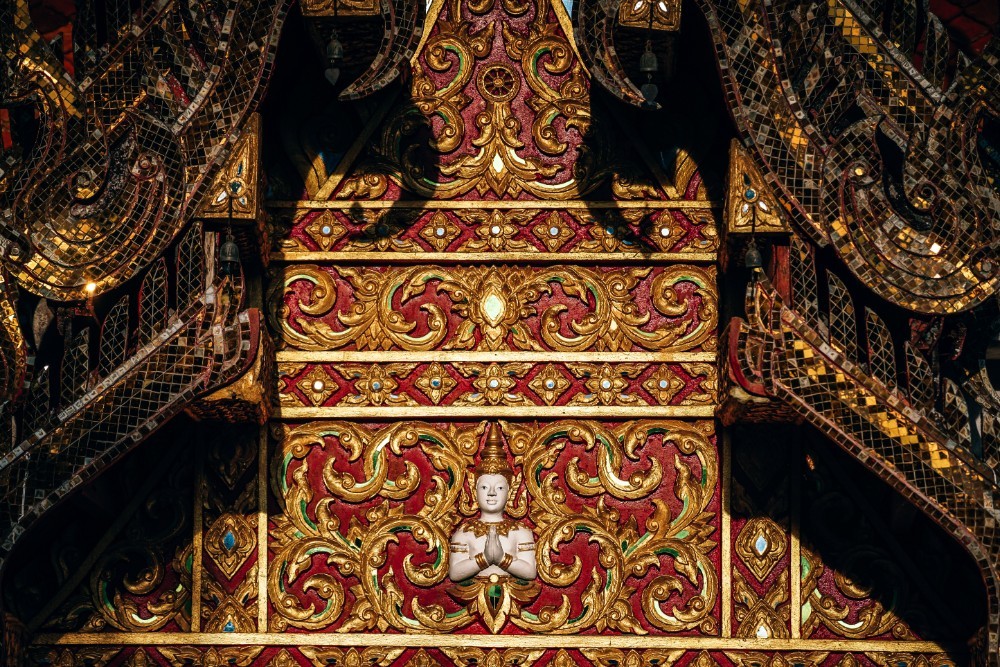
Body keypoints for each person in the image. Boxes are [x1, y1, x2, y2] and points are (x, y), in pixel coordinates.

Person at [448, 424, 537, 582]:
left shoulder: (521, 531)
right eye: (484, 487)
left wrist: (502, 558)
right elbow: (455, 573)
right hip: (473, 594)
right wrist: (485, 558)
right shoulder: (465, 531)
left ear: (510, 492)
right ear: (475, 492)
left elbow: (530, 572)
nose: (491, 492)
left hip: (513, 594)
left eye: (500, 487)